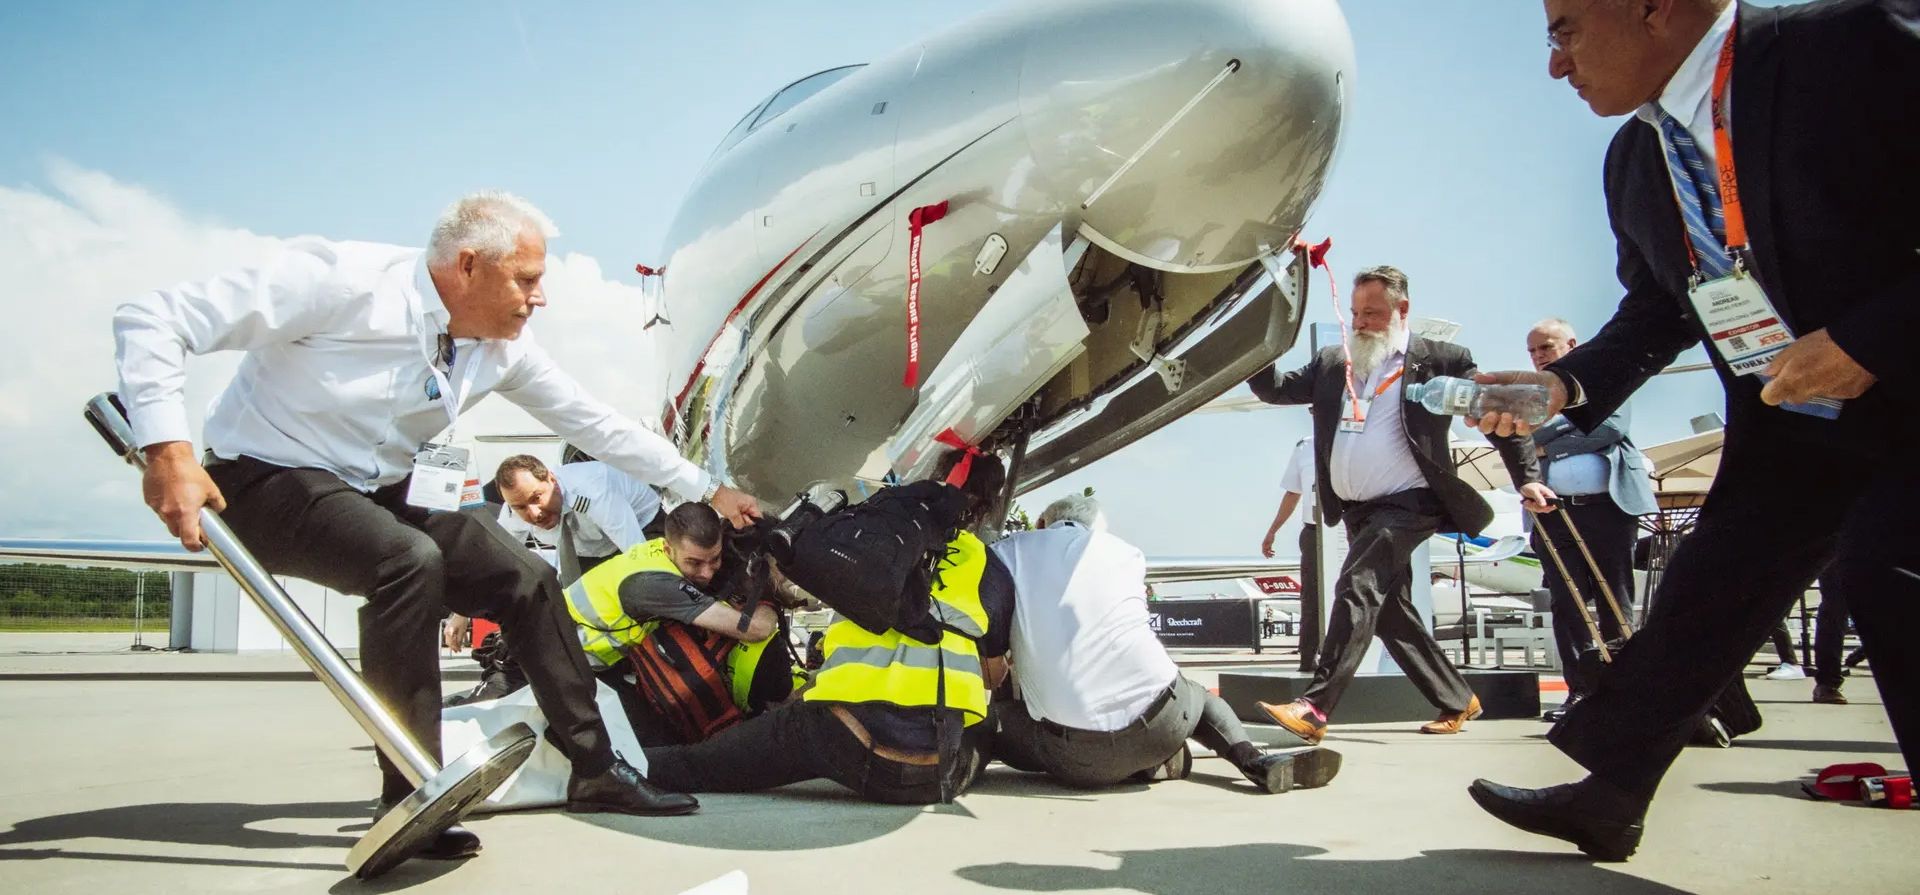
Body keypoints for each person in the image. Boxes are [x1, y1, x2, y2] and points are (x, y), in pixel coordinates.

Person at [113, 192, 764, 856]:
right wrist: (168, 451)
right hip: (263, 479)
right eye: (528, 279)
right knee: (408, 561)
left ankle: (597, 770)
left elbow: (595, 423)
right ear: (469, 266)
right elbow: (152, 318)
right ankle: (411, 793)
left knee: (528, 576)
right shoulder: (344, 281)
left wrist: (709, 488)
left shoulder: (500, 348)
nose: (539, 298)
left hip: (374, 489)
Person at [1467, 0, 1919, 861]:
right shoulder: (1636, 159)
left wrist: (1871, 340)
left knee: (1890, 563)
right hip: (1794, 423)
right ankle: (1610, 794)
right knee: (1702, 597)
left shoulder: (1855, 42)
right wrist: (1563, 383)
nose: (1555, 66)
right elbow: (1661, 307)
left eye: (1564, 29)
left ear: (1652, 9)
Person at [1244, 265, 1551, 744]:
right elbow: (1276, 388)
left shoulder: (1444, 360)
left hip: (1412, 501)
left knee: (1358, 582)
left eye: (1372, 312)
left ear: (1402, 310)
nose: (1361, 321)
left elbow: (1495, 413)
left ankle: (1315, 707)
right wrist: (1254, 348)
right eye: (1355, 313)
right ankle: (1456, 697)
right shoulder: (1333, 362)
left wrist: (1527, 480)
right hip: (1357, 508)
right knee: (1389, 611)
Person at [641, 450, 1014, 804]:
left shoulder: (876, 540)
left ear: (931, 482)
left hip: (844, 733)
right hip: (935, 768)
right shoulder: (991, 569)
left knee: (701, 765)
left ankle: (618, 762)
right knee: (988, 719)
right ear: (986, 509)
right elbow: (992, 676)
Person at [989, 495, 1341, 794]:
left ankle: (1148, 766)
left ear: (1041, 522)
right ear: (1097, 531)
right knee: (1199, 696)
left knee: (997, 723)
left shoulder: (1008, 551)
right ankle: (1253, 760)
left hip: (1075, 759)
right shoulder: (1127, 553)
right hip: (1161, 725)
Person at [1522, 319, 1657, 722]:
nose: (1539, 356)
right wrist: (1561, 432)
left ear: (1571, 344)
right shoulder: (1529, 396)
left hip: (1608, 509)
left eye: (1546, 346)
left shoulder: (1604, 379)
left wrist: (1549, 440)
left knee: (1615, 599)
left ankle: (1623, 693)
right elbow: (1521, 440)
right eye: (1532, 351)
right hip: (1554, 512)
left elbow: (1610, 428)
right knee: (1567, 603)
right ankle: (1580, 691)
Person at [562, 502, 784, 745]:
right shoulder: (655, 585)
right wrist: (769, 598)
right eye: (694, 563)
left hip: (595, 650)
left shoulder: (656, 552)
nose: (707, 573)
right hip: (575, 664)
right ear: (669, 549)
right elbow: (756, 629)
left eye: (715, 559)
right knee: (651, 739)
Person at [444, 455, 662, 659]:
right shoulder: (514, 514)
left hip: (643, 529)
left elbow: (640, 559)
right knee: (579, 614)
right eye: (520, 507)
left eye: (537, 498)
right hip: (588, 549)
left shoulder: (593, 491)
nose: (534, 513)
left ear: (552, 479)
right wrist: (462, 614)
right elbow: (491, 563)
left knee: (643, 597)